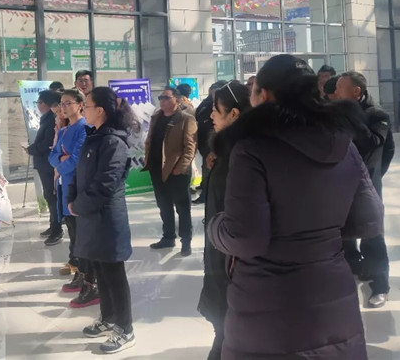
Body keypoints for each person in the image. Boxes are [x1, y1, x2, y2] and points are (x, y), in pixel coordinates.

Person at [207, 55, 384, 359]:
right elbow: (369, 219)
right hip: (333, 299)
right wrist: (319, 233)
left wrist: (214, 226)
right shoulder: (345, 144)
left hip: (268, 309)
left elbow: (245, 237)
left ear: (264, 95)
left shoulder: (251, 149)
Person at [68, 87, 136, 354]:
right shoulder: (94, 136)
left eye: (86, 105)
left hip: (107, 219)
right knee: (101, 271)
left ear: (101, 111)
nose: (83, 109)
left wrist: (78, 205)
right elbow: (78, 174)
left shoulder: (114, 142)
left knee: (113, 274)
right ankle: (108, 317)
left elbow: (105, 183)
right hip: (91, 217)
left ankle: (125, 329)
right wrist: (72, 198)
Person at [197, 81, 251, 360]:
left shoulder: (243, 155)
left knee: (228, 327)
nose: (211, 116)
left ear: (234, 114)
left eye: (216, 110)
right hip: (219, 248)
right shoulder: (226, 150)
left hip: (231, 258)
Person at [336, 71, 395, 308]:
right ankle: (356, 266)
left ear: (356, 91)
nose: (335, 93)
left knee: (372, 235)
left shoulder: (377, 114)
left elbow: (378, 145)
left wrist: (375, 175)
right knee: (344, 232)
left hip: (367, 185)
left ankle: (380, 285)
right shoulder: (337, 113)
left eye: (340, 88)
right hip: (341, 183)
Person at [143, 88, 197, 256]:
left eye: (166, 97)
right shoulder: (156, 117)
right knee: (164, 205)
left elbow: (190, 147)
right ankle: (168, 237)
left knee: (182, 207)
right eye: (160, 97)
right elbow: (150, 140)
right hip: (156, 169)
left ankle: (186, 241)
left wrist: (180, 168)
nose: (162, 100)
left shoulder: (186, 119)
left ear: (177, 100)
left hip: (176, 171)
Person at [49, 90, 89, 298]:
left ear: (80, 104)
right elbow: (52, 156)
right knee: (72, 231)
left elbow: (77, 159)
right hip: (64, 185)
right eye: (61, 103)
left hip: (77, 186)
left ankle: (86, 275)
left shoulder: (84, 128)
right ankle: (79, 270)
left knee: (81, 234)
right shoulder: (64, 130)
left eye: (68, 103)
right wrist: (60, 160)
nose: (63, 107)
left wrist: (61, 163)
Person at [28, 90, 63, 245]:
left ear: (47, 104)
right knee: (49, 196)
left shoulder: (52, 120)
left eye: (40, 102)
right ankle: (53, 225)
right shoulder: (46, 118)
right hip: (44, 163)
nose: (38, 105)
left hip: (49, 164)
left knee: (52, 196)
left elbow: (48, 144)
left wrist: (31, 149)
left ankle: (57, 229)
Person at [192, 81, 227, 205]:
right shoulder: (206, 103)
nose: (212, 115)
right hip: (205, 143)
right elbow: (197, 115)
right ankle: (206, 192)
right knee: (206, 170)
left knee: (210, 172)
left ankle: (206, 195)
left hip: (215, 145)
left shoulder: (225, 105)